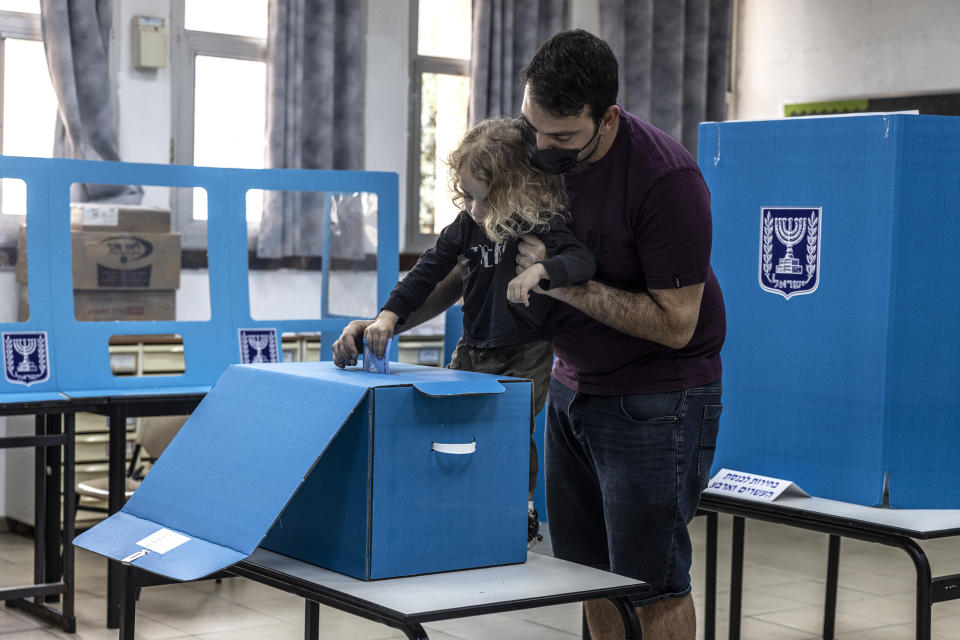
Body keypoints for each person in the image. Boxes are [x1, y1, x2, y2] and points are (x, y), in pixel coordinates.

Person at [515, 30, 726, 640]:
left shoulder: (667, 180)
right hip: (571, 386)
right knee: (585, 574)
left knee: (649, 582)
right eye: (535, 128)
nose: (542, 147)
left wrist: (559, 283)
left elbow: (675, 324)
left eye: (562, 137)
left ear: (607, 118)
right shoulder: (538, 144)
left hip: (656, 398)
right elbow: (459, 248)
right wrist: (392, 315)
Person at [331, 117, 596, 549]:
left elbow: (583, 261)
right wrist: (387, 316)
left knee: (512, 430)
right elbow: (427, 271)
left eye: (485, 200)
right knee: (448, 419)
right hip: (474, 344)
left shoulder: (540, 225)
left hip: (525, 350)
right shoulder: (467, 226)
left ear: (517, 190)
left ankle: (522, 510)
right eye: (469, 198)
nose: (475, 210)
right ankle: (450, 501)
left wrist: (546, 270)